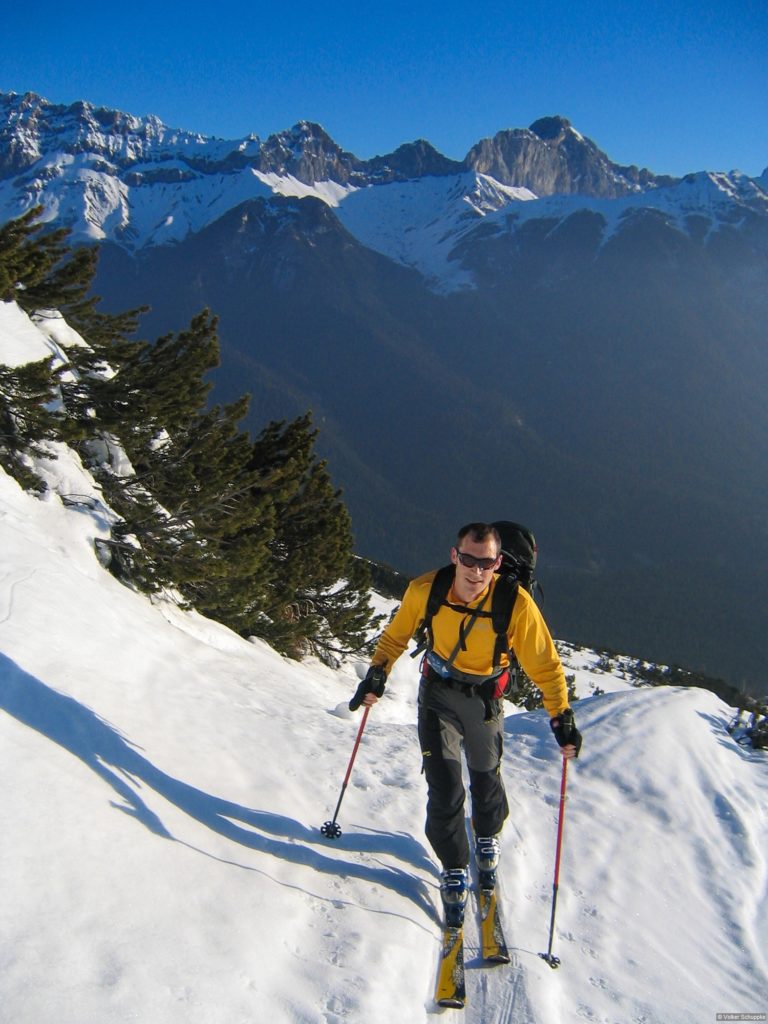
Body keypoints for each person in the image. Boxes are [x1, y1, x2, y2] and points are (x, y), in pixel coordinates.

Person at [349, 522, 581, 927]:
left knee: (485, 777)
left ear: (498, 562)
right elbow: (395, 637)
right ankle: (454, 864)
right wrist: (376, 674)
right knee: (445, 786)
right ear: (455, 556)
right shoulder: (427, 590)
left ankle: (487, 836)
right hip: (437, 696)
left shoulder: (515, 603)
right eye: (469, 560)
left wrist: (561, 715)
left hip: (484, 700)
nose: (477, 571)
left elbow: (544, 664)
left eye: (486, 563)